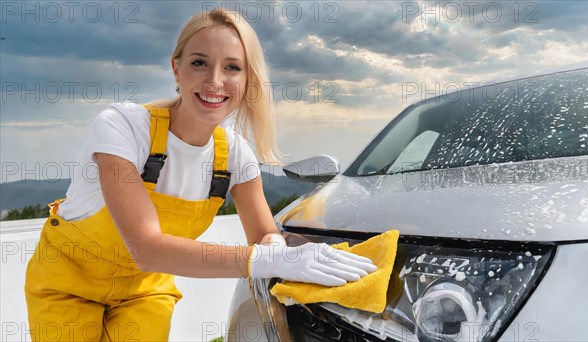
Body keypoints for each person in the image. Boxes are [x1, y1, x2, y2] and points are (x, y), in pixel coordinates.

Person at [24, 8, 377, 342]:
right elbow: (144, 248)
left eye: (233, 67)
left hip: (143, 290)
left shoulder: (236, 155)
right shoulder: (124, 126)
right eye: (199, 63)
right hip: (66, 284)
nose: (215, 81)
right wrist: (271, 259)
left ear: (247, 79)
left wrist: (283, 251)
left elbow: (263, 235)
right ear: (176, 70)